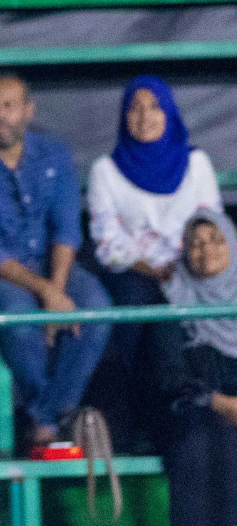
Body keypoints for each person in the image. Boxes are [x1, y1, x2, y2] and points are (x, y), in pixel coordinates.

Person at [0, 72, 111, 450]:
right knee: (18, 315)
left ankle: (43, 419)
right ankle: (59, 419)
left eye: (8, 106)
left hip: (53, 266)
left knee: (96, 306)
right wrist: (47, 294)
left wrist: (55, 289)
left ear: (28, 111)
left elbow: (67, 229)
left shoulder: (54, 154)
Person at [87, 77, 219, 441]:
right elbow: (107, 242)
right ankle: (140, 424)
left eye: (154, 106)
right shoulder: (105, 171)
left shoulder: (197, 164)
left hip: (190, 267)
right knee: (137, 308)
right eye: (135, 108)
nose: (145, 116)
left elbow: (210, 224)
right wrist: (153, 268)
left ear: (169, 113)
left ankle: (199, 417)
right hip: (135, 271)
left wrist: (185, 266)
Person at [149, 209, 237, 526]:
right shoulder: (173, 300)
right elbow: (167, 377)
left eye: (216, 240)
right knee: (200, 450)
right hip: (189, 415)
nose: (206, 251)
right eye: (196, 243)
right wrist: (221, 402)